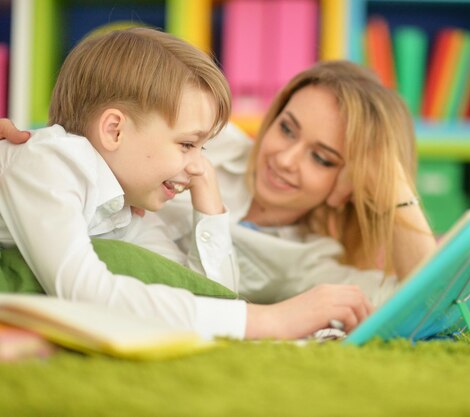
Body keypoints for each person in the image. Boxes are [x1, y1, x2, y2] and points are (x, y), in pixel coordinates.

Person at [0, 29, 372, 341]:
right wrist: (271, 321)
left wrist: (209, 206)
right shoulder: (47, 164)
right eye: (187, 145)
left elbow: (206, 295)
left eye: (203, 148)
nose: (199, 166)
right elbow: (83, 292)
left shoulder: (125, 210)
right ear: (115, 130)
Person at [158, 60, 437, 307]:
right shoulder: (210, 137)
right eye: (287, 129)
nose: (286, 160)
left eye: (320, 158)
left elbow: (428, 301)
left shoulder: (308, 263)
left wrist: (394, 187)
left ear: (351, 184)